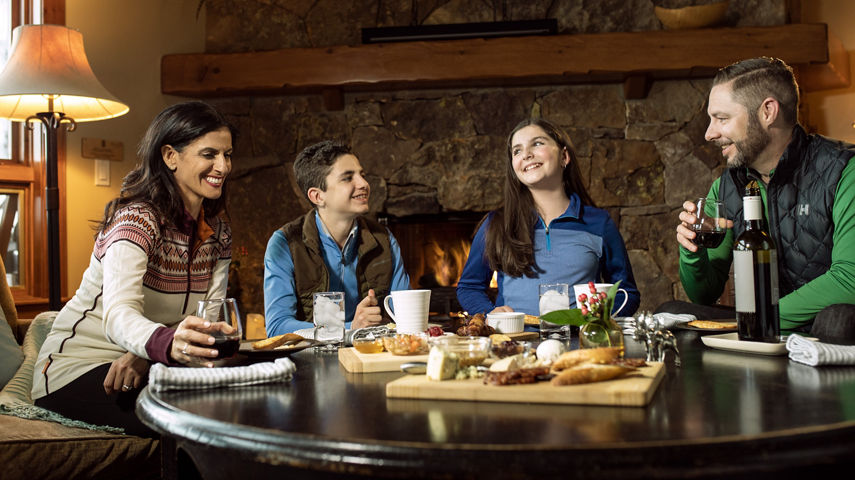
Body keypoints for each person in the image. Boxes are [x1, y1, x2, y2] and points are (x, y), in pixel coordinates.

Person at [32, 101, 237, 436]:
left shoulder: (219, 235)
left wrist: (148, 355)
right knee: (199, 416)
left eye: (227, 155)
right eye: (209, 154)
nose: (223, 166)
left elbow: (206, 321)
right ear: (170, 156)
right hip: (75, 370)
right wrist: (162, 346)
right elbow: (119, 314)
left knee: (238, 398)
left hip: (148, 361)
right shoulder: (136, 221)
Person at [669, 57, 855, 342]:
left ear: (768, 111)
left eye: (722, 118)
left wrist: (758, 319)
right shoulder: (726, 187)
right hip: (757, 324)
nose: (709, 134)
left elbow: (850, 280)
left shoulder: (844, 170)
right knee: (673, 313)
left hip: (819, 332)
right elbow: (704, 293)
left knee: (838, 320)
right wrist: (692, 251)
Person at [456, 118, 640, 318]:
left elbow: (626, 292)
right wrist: (490, 313)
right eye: (517, 151)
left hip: (579, 337)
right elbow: (469, 287)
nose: (526, 154)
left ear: (564, 157)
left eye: (537, 143)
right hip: (515, 338)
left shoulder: (599, 223)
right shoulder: (496, 224)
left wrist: (598, 320)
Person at [263, 141, 410, 336]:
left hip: (371, 351)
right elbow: (277, 327)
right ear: (317, 196)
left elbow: (407, 315)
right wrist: (350, 328)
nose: (364, 184)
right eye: (348, 178)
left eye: (362, 175)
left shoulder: (384, 239)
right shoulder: (285, 243)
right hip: (311, 354)